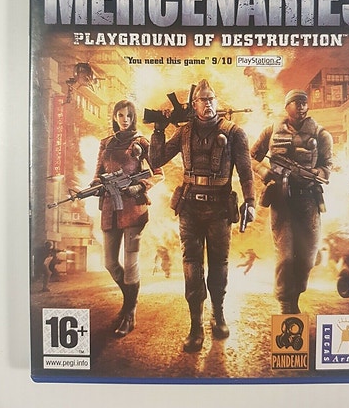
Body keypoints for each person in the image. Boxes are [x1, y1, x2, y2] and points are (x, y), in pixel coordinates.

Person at [150, 79, 255, 352]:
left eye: (211, 99)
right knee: (191, 267)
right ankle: (195, 326)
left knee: (219, 266)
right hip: (190, 208)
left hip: (220, 208)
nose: (207, 104)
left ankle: (217, 315)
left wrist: (251, 202)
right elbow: (156, 160)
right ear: (193, 105)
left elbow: (245, 171)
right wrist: (158, 130)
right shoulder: (184, 133)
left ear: (216, 102)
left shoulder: (234, 132)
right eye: (202, 100)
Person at [250, 89, 333, 314]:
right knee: (285, 256)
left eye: (304, 102)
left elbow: (327, 167)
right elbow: (251, 157)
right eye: (296, 102)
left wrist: (314, 173)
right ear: (287, 106)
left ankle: (295, 294)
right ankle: (286, 304)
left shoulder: (321, 134)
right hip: (281, 201)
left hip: (308, 201)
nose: (301, 106)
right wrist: (264, 172)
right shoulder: (271, 130)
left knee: (307, 258)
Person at [93, 99, 163, 337]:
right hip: (110, 211)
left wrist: (139, 186)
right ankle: (129, 301)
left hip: (133, 210)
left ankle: (130, 313)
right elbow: (98, 174)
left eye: (129, 116)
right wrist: (96, 186)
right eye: (121, 115)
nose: (125, 120)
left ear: (133, 118)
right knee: (110, 263)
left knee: (130, 264)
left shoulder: (141, 142)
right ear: (115, 117)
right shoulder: (106, 143)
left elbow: (158, 173)